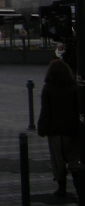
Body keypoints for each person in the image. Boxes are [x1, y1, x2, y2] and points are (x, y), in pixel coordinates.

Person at [37, 60, 79, 198]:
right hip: (71, 128)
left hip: (54, 129)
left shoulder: (48, 88)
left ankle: (62, 187)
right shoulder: (74, 88)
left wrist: (42, 129)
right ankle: (79, 183)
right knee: (73, 157)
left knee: (57, 159)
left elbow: (45, 111)